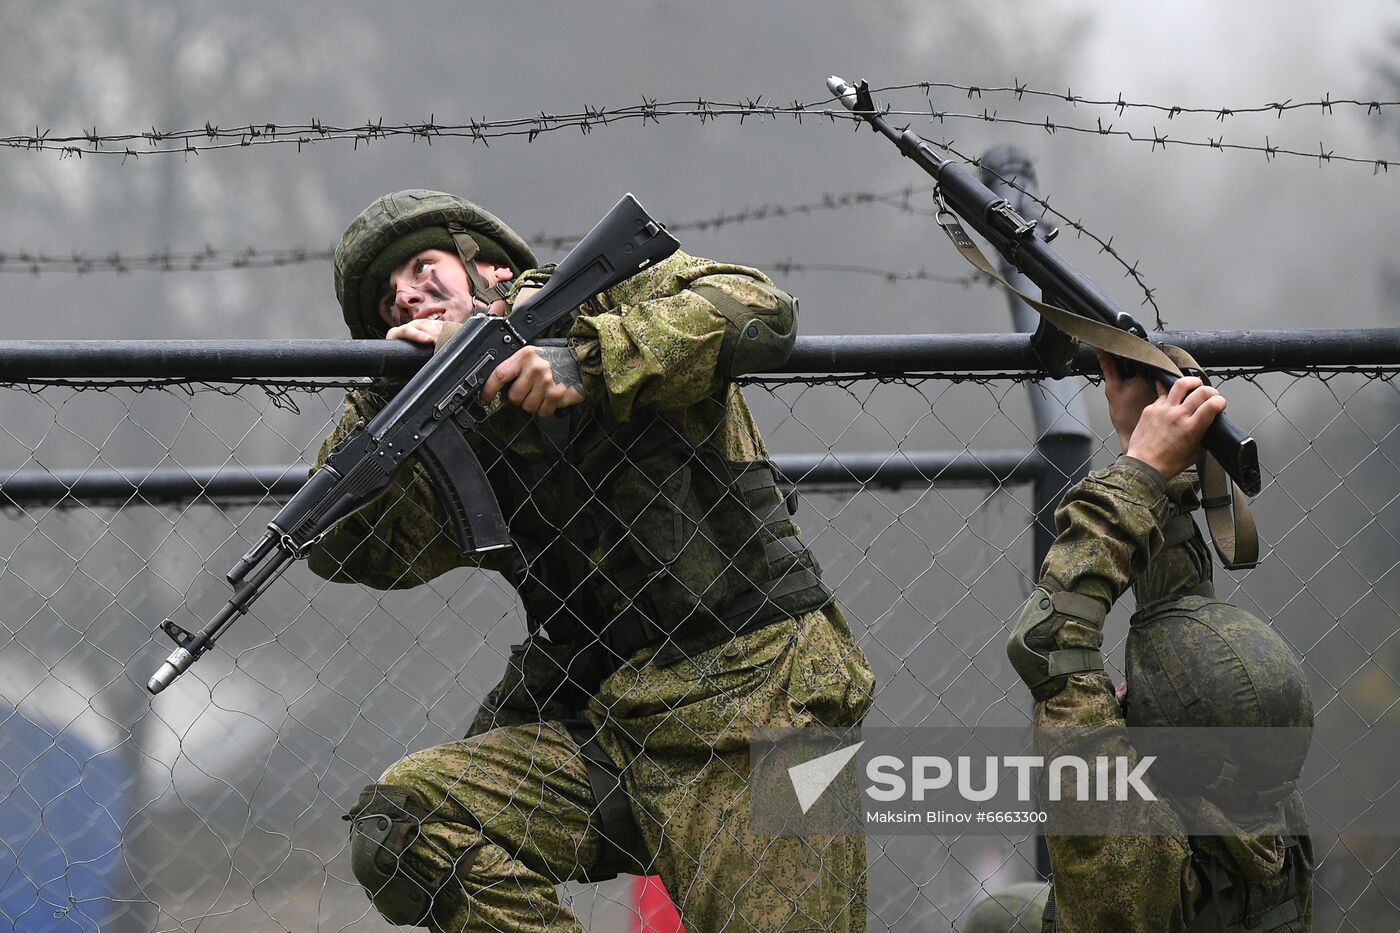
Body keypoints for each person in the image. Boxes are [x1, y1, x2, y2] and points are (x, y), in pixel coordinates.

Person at [307, 190, 875, 932]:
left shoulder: (608, 296)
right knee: (408, 825)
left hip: (765, 702)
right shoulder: (455, 425)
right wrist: (385, 395)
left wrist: (584, 361)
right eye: (390, 303)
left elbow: (759, 307)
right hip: (617, 729)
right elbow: (349, 546)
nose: (408, 295)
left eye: (422, 267)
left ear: (492, 266)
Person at [992, 352, 1313, 933]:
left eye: (1136, 699)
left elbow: (1047, 640)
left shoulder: (1126, 872)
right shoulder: (1267, 806)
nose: (1119, 693)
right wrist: (1149, 456)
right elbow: (1180, 609)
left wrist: (1138, 472)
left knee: (994, 917)